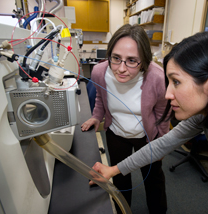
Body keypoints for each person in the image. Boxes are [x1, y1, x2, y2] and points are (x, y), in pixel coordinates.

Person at [89, 30, 208, 214]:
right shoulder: (206, 115)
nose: (167, 94)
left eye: (176, 82)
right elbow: (161, 145)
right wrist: (112, 170)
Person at [81, 24, 169, 214]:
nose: (121, 69)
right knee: (120, 179)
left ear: (144, 59)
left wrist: (163, 142)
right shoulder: (99, 72)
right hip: (117, 134)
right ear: (109, 54)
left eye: (131, 60)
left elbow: (164, 112)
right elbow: (100, 97)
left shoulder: (157, 77)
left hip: (148, 138)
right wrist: (97, 116)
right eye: (116, 58)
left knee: (153, 179)